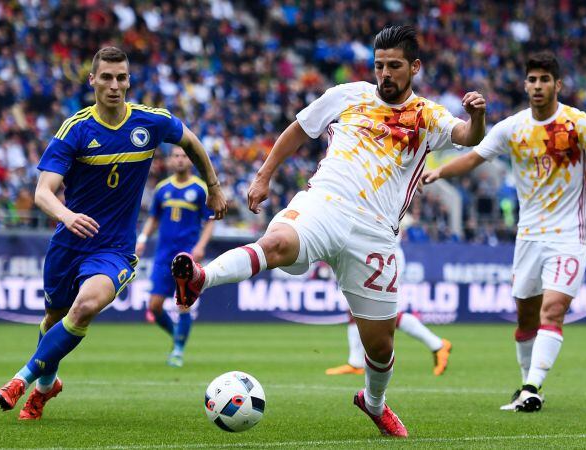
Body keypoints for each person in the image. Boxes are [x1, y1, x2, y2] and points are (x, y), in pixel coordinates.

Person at [173, 25, 486, 437]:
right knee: (278, 242)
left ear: (415, 67)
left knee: (380, 345)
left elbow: (467, 135)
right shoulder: (347, 95)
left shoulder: (428, 115)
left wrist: (477, 115)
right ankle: (200, 278)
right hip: (326, 203)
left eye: (394, 66)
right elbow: (299, 129)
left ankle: (374, 404)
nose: (385, 74)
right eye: (379, 66)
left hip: (375, 232)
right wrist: (264, 176)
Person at [0, 47, 226, 420]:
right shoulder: (76, 129)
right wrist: (66, 215)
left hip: (113, 249)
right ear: (92, 80)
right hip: (68, 244)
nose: (114, 86)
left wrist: (213, 185)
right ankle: (46, 387)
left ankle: (22, 380)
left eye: (121, 78)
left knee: (84, 308)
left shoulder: (150, 122)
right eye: (106, 77)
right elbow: (42, 192)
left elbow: (192, 142)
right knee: (54, 319)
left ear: (129, 81)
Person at [422, 51, 586, 412]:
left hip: (569, 235)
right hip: (529, 236)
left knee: (552, 310)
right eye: (532, 80)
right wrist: (440, 172)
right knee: (525, 318)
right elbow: (474, 157)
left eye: (544, 80)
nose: (538, 86)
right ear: (525, 84)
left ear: (557, 84)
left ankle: (532, 385)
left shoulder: (578, 124)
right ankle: (527, 387)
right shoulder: (512, 127)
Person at [135, 147, 214, 367]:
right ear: (170, 161)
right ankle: (177, 336)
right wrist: (142, 238)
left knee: (183, 304)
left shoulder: (199, 189)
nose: (179, 160)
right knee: (154, 306)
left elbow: (209, 220)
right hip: (163, 254)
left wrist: (201, 245)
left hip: (187, 254)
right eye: (176, 156)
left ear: (190, 161)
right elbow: (153, 219)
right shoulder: (162, 189)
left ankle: (178, 349)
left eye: (184, 156)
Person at [326, 240, 452, 377]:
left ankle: (438, 345)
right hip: (365, 252)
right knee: (354, 305)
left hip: (382, 254)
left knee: (382, 312)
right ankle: (356, 362)